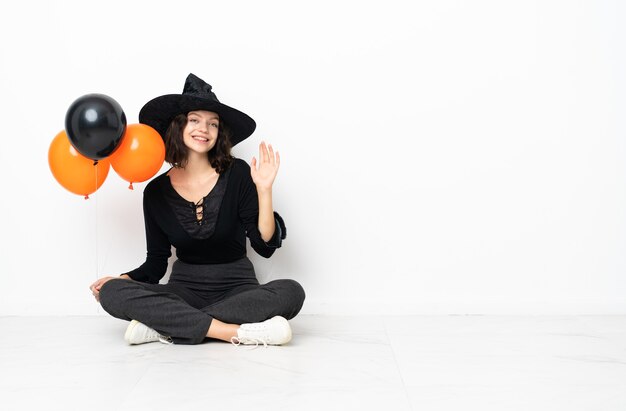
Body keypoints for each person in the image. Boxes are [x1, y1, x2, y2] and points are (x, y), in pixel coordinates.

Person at [89, 73, 305, 346]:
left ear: (219, 133)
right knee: (113, 293)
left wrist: (264, 190)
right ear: (178, 126)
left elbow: (264, 245)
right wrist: (119, 280)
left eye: (212, 124)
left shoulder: (238, 173)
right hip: (183, 290)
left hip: (238, 289)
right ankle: (233, 332)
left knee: (292, 292)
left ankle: (164, 326)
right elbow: (156, 263)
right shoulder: (155, 192)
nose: (204, 129)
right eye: (194, 120)